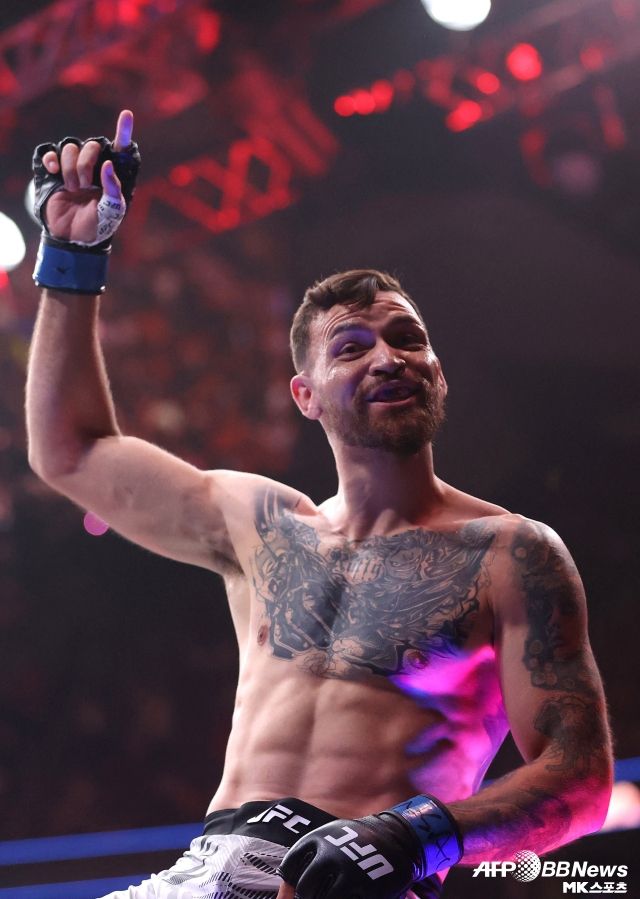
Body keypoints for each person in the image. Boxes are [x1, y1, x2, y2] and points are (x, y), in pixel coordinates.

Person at [25, 110, 612, 899]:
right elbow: (72, 451)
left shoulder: (510, 553)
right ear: (305, 395)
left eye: (407, 339)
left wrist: (412, 834)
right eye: (352, 347)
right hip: (200, 870)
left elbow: (580, 780)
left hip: (360, 879)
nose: (389, 357)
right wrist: (73, 256)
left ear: (438, 372)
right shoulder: (258, 521)